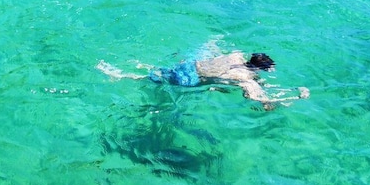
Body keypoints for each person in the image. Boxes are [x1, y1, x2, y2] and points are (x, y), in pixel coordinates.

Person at [97, 51, 309, 111]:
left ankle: (137, 62)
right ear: (263, 69)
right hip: (191, 77)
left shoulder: (236, 55)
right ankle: (120, 75)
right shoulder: (246, 80)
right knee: (152, 79)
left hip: (191, 64)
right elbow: (257, 100)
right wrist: (293, 98)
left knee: (162, 71)